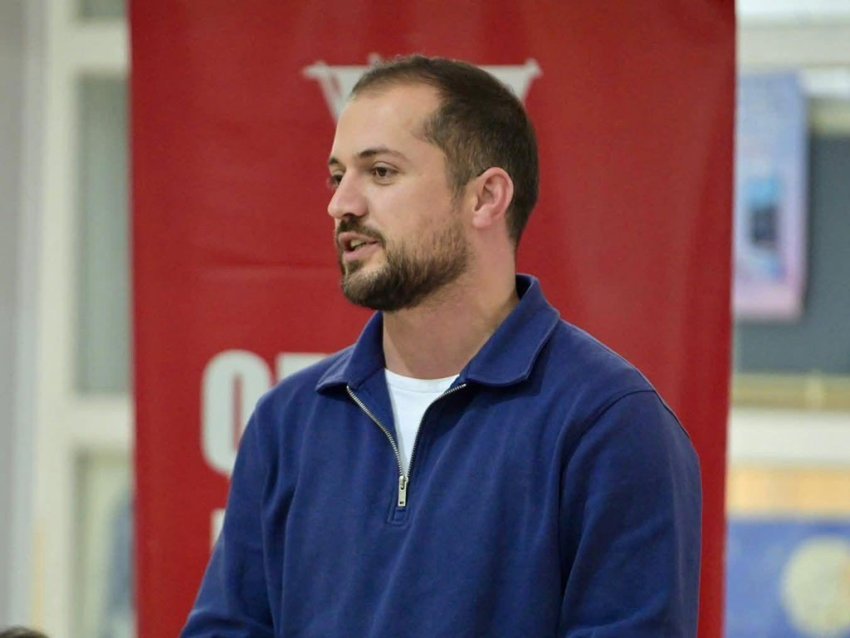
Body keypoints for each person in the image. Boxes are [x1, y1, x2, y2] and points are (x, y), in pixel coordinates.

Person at [183, 55, 702, 637]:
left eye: (381, 172)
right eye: (337, 176)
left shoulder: (609, 423)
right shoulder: (289, 421)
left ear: (486, 198)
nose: (341, 205)